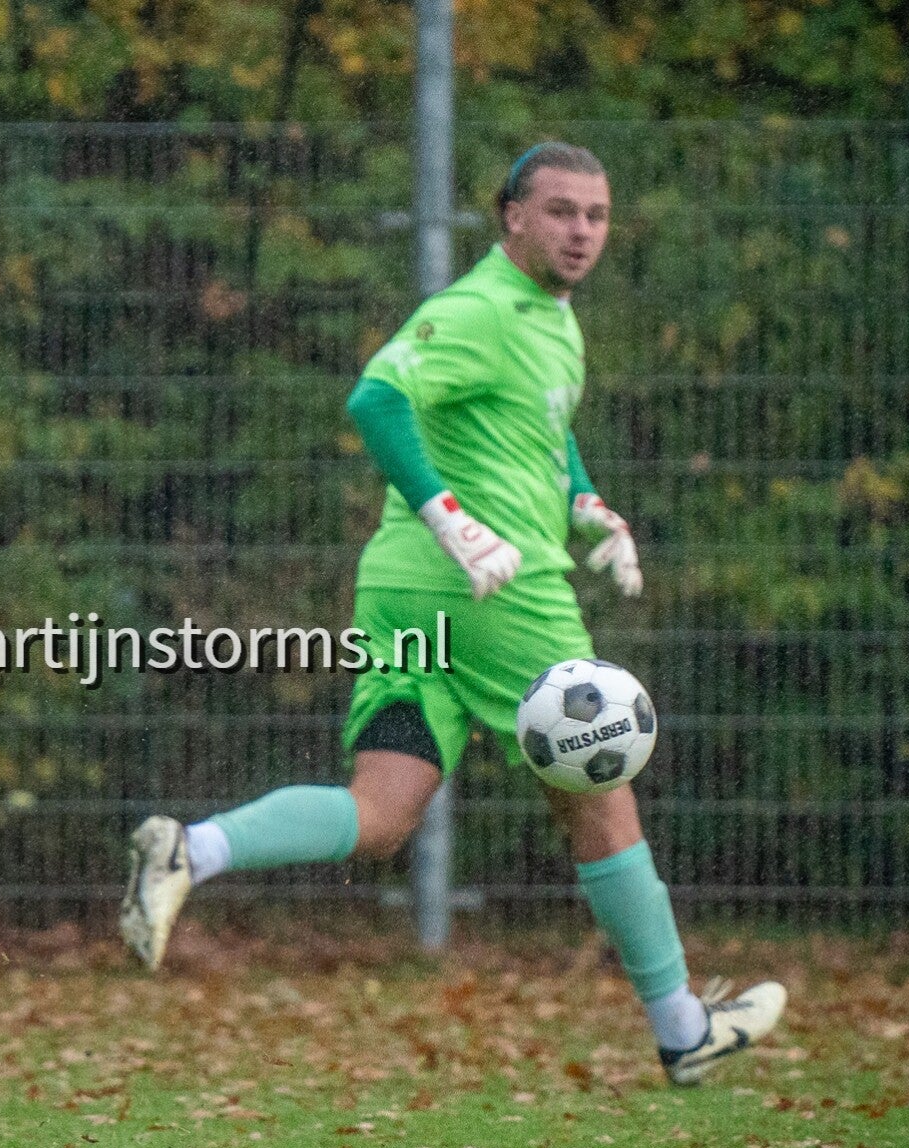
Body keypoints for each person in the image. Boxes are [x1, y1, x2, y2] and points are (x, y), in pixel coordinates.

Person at [119, 143, 785, 1086]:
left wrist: (587, 502)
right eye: (560, 211)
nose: (581, 231)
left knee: (380, 811)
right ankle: (682, 1028)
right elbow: (376, 398)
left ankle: (192, 847)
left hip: (405, 590)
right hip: (496, 593)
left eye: (595, 215)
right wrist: (452, 518)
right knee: (602, 797)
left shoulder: (550, 318)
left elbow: (539, 431)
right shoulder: (480, 308)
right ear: (511, 215)